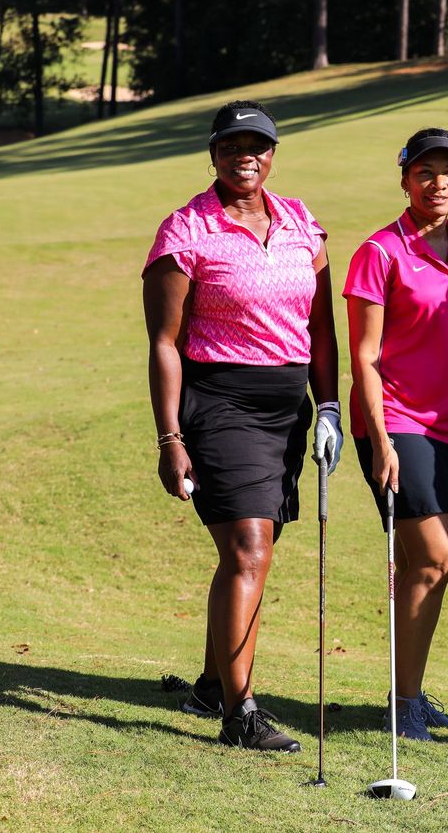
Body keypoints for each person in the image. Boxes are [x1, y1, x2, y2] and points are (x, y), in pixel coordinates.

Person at [143, 100, 342, 752]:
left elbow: (321, 329)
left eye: (257, 144)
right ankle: (240, 712)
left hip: (288, 409)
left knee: (251, 551)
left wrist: (330, 406)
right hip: (220, 402)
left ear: (273, 152)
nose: (244, 155)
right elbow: (165, 341)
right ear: (214, 152)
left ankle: (210, 682)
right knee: (249, 549)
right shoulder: (185, 231)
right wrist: (170, 437)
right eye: (232, 145)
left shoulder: (302, 223)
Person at [344, 128, 448, 742]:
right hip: (396, 421)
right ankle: (404, 703)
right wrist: (379, 439)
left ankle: (406, 693)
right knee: (436, 557)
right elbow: (365, 353)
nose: (439, 184)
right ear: (405, 179)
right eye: (425, 172)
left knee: (420, 565)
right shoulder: (379, 252)